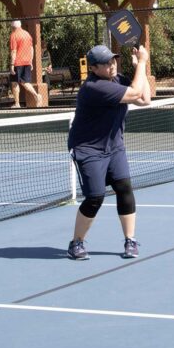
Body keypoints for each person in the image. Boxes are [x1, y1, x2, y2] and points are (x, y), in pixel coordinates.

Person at [66, 43, 151, 261]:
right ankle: (76, 242)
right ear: (93, 68)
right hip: (88, 149)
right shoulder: (94, 87)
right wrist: (141, 62)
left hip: (114, 147)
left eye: (112, 60)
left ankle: (130, 240)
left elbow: (145, 99)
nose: (111, 65)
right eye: (105, 63)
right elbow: (134, 93)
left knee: (124, 189)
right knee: (95, 197)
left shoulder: (118, 79)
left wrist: (141, 66)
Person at [9, 19, 41, 109]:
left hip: (17, 62)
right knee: (25, 82)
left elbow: (13, 51)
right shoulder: (27, 34)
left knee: (14, 82)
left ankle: (17, 103)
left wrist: (12, 65)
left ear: (13, 27)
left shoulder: (14, 35)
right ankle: (36, 95)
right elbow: (32, 49)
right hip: (27, 61)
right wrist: (30, 61)